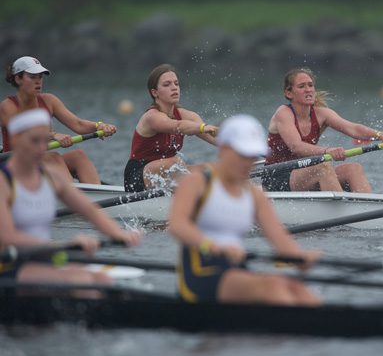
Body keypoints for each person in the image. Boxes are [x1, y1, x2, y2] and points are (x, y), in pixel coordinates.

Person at [169, 114, 321, 305]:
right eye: (242, 155)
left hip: (236, 270)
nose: (247, 163)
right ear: (223, 148)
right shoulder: (198, 182)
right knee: (273, 284)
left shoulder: (254, 195)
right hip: (199, 275)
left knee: (297, 288)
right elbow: (177, 226)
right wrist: (212, 245)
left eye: (252, 156)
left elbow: (280, 239)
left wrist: (300, 258)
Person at [0, 109, 141, 291]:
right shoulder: (4, 182)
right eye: (35, 141)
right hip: (10, 264)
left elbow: (89, 210)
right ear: (16, 139)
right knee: (80, 279)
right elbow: (7, 236)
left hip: (43, 257)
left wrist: (118, 233)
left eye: (45, 141)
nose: (42, 148)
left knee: (103, 280)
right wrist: (66, 245)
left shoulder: (50, 177)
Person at [262, 68, 383, 192]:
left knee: (354, 169)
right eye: (301, 86)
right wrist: (327, 151)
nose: (308, 89)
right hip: (277, 176)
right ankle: (345, 214)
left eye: (310, 85)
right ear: (288, 93)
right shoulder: (283, 113)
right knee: (323, 167)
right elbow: (296, 147)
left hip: (304, 173)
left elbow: (353, 128)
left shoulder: (322, 114)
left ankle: (367, 213)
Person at [1, 56, 117, 184]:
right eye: (32, 77)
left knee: (78, 156)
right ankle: (73, 197)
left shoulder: (49, 101)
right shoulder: (8, 106)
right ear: (18, 79)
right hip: (15, 165)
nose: (38, 81)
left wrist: (99, 126)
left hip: (39, 161)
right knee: (54, 157)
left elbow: (78, 124)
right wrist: (53, 135)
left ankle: (96, 196)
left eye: (40, 77)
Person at [123, 64, 219, 192]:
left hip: (167, 172)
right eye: (167, 84)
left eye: (176, 83)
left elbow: (219, 140)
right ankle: (198, 196)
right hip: (137, 178)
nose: (174, 88)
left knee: (212, 168)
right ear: (155, 92)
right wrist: (202, 127)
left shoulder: (187, 115)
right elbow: (177, 126)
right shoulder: (152, 117)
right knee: (175, 163)